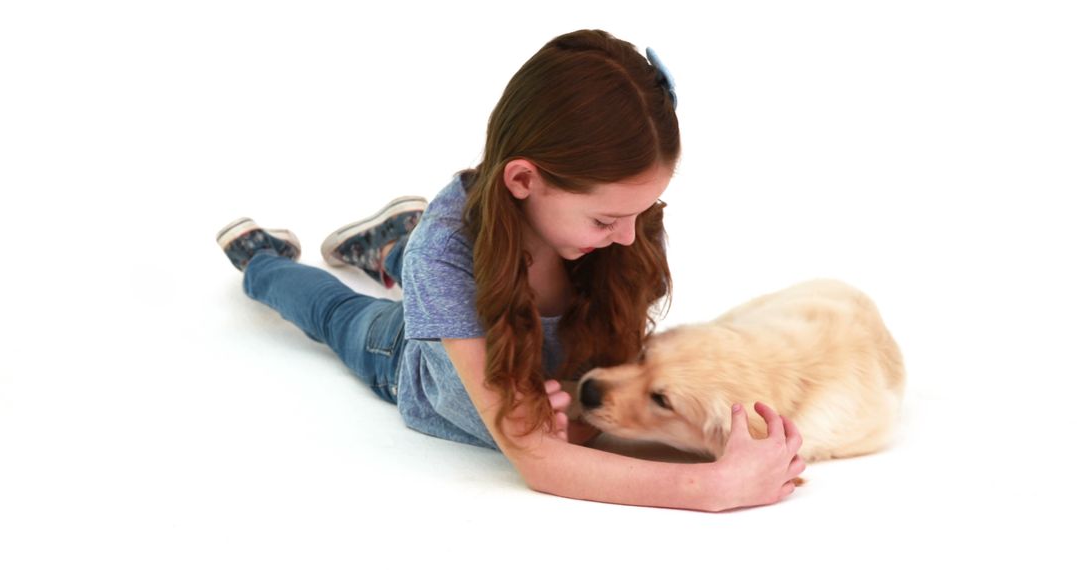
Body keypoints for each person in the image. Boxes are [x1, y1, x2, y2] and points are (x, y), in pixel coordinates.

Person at [216, 29, 805, 512]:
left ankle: (388, 240)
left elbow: (589, 407)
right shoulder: (445, 257)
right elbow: (538, 458)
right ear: (524, 182)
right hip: (404, 362)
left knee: (437, 276)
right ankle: (262, 260)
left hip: (473, 295)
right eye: (606, 220)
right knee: (337, 313)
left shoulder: (617, 222)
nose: (629, 235)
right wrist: (712, 488)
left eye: (641, 212)